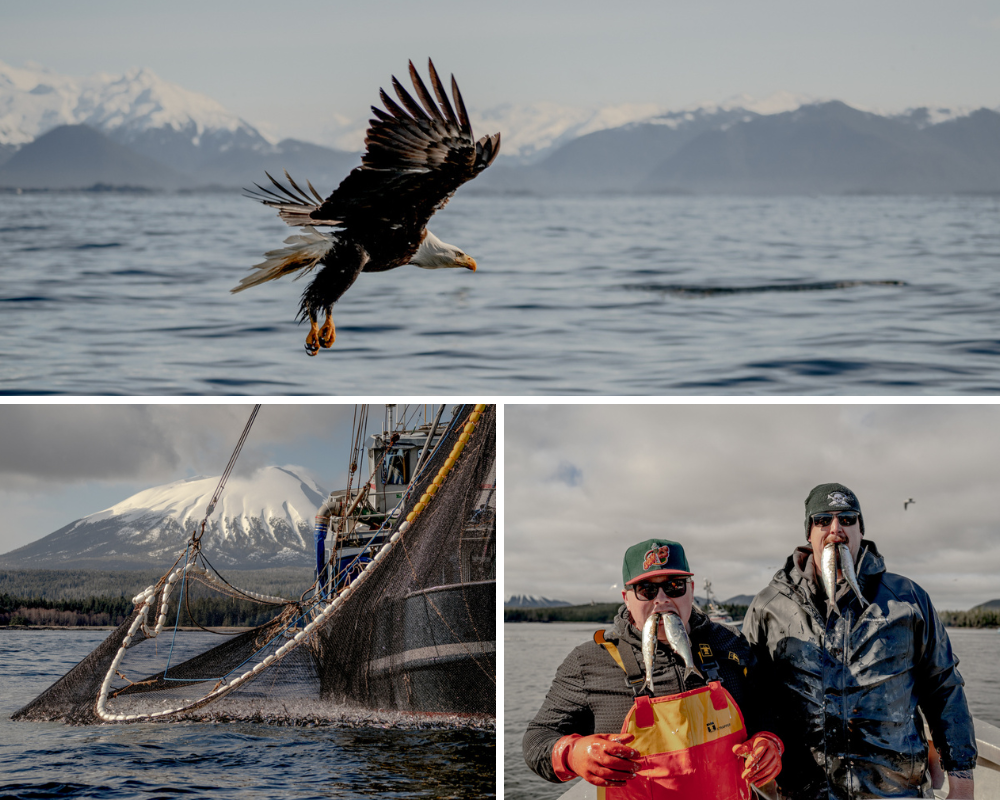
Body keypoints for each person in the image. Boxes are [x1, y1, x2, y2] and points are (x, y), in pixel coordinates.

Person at [743, 483, 978, 800]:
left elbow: (944, 688)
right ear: (809, 533)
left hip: (896, 793)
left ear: (859, 530)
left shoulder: (908, 599)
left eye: (848, 519)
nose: (836, 529)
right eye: (823, 520)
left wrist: (961, 781)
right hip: (803, 792)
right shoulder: (768, 606)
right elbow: (751, 696)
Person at [523, 538, 783, 797]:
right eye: (646, 590)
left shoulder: (731, 643)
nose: (661, 599)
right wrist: (573, 754)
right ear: (626, 598)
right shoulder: (588, 661)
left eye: (674, 586)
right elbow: (537, 739)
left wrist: (769, 741)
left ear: (691, 590)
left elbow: (766, 710)